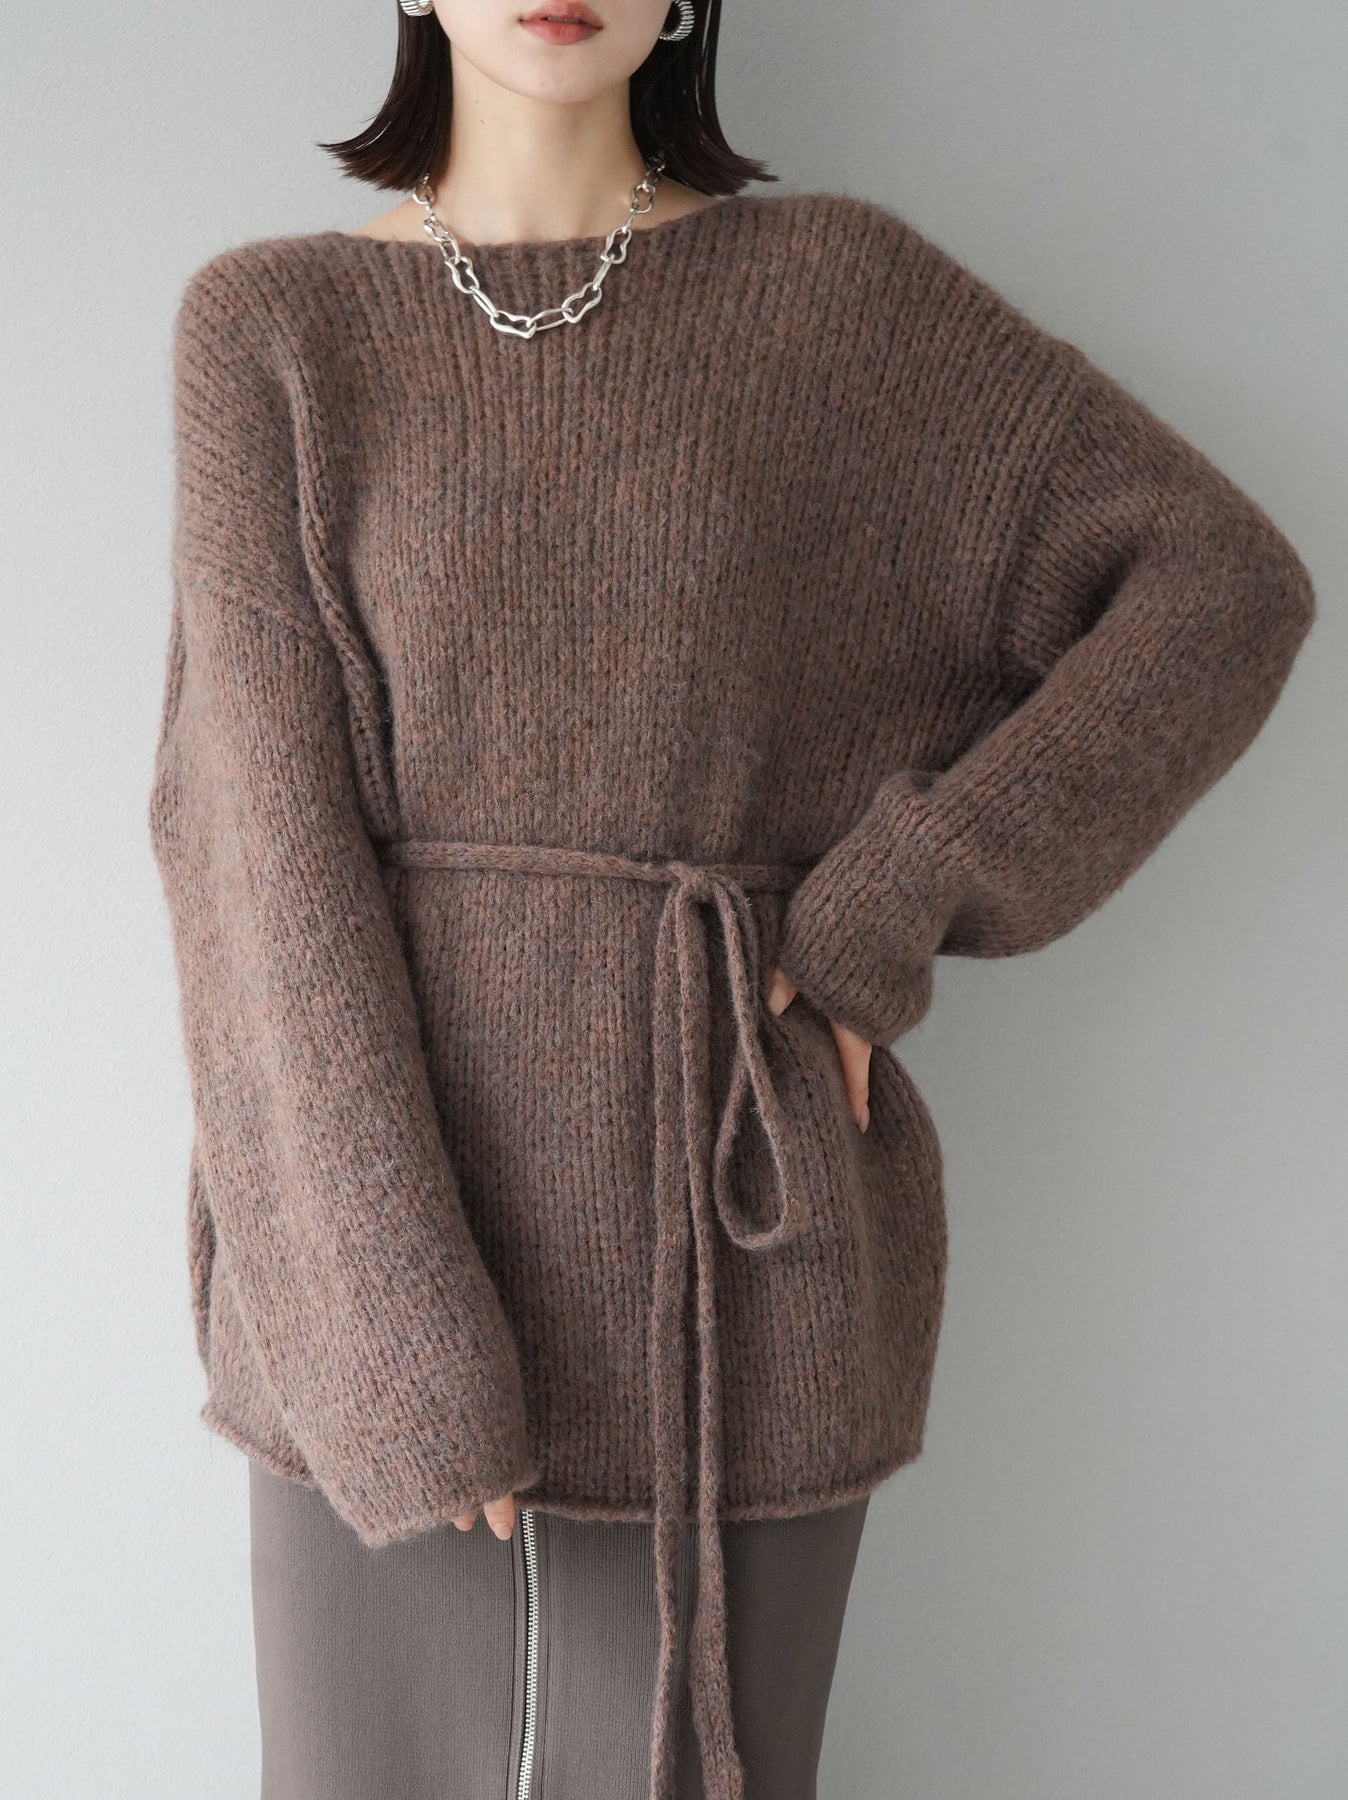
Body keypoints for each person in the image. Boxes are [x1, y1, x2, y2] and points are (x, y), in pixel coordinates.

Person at [145, 3, 1317, 1798]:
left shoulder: (843, 300)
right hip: (360, 1257)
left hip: (737, 1261)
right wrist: (393, 1333)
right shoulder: (273, 330)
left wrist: (901, 898)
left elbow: (1218, 589)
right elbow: (254, 861)